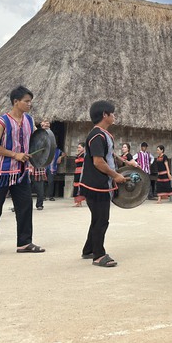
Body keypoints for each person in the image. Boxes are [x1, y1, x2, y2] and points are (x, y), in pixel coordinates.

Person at [0, 86, 45, 256]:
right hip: (1, 172)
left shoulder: (29, 120)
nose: (30, 104)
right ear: (16, 102)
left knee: (25, 207)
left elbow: (37, 140)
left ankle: (24, 243)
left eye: (30, 101)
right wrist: (15, 154)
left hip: (21, 172)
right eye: (26, 101)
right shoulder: (2, 122)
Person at [78, 100, 126, 267]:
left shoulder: (103, 134)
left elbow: (109, 155)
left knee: (97, 218)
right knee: (101, 219)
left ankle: (88, 249)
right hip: (96, 185)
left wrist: (127, 163)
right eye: (112, 113)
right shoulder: (97, 135)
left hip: (99, 183)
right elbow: (98, 162)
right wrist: (116, 176)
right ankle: (98, 255)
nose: (114, 116)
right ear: (105, 115)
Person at [30, 119, 51, 210]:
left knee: (39, 187)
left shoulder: (45, 136)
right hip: (28, 164)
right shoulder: (31, 136)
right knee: (24, 188)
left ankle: (39, 204)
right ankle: (19, 205)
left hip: (38, 165)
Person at [46, 133, 66, 201]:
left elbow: (64, 154)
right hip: (44, 168)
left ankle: (50, 196)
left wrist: (60, 157)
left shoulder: (58, 151)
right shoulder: (46, 149)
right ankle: (42, 196)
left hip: (52, 168)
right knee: (42, 181)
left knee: (51, 182)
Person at [72, 142, 86, 207]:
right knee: (76, 185)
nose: (78, 149)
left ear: (84, 148)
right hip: (77, 171)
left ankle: (79, 202)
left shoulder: (85, 155)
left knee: (80, 186)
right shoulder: (79, 155)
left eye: (80, 147)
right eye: (78, 147)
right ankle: (78, 202)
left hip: (82, 172)